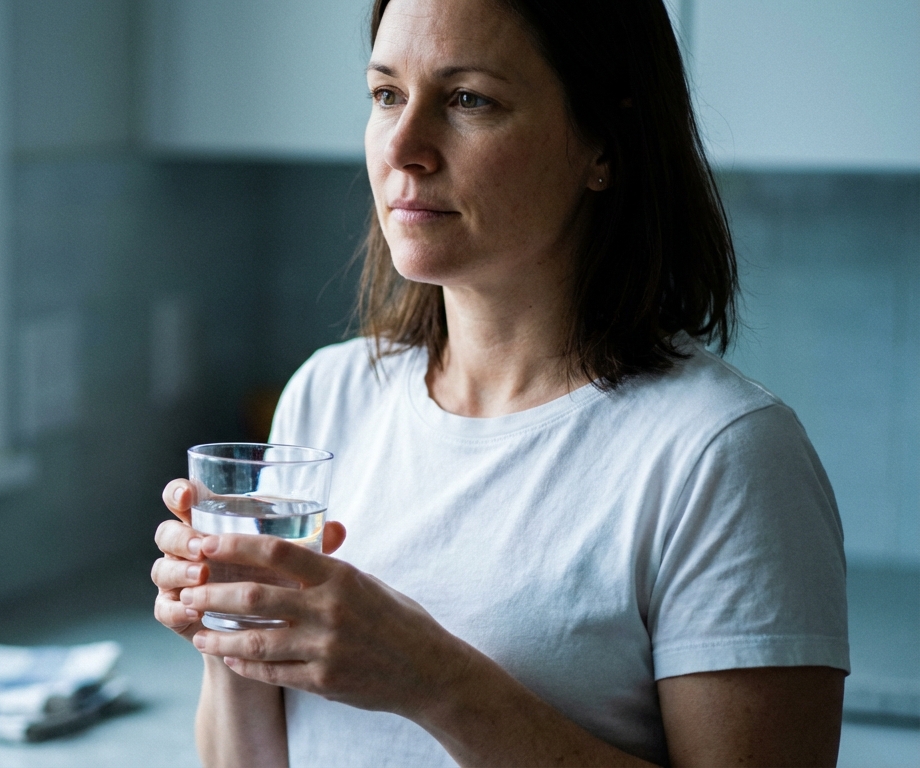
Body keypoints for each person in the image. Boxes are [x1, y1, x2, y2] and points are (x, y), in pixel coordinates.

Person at [151, 0, 849, 764]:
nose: (404, 148)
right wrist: (231, 628)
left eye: (468, 100)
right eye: (386, 94)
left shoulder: (723, 457)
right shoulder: (327, 396)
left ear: (603, 144)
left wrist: (433, 679)